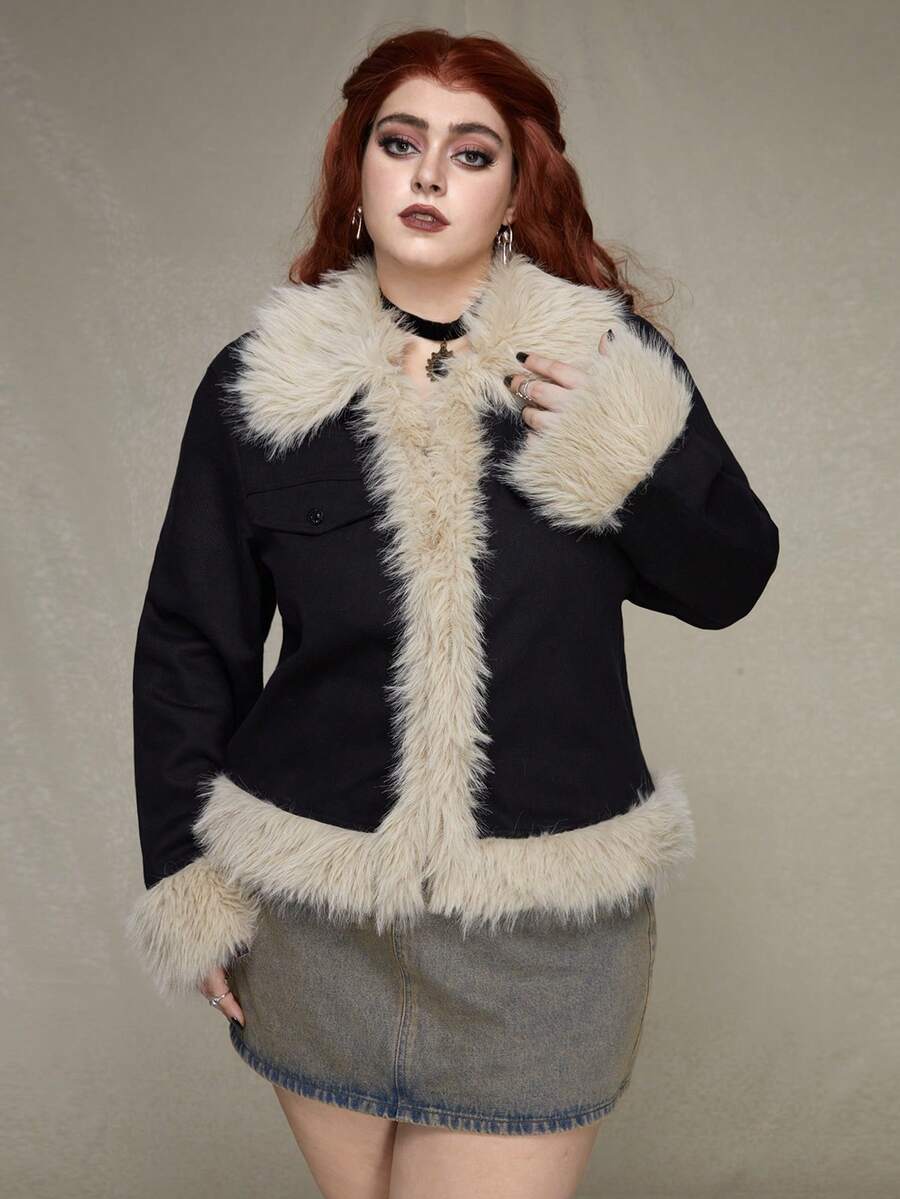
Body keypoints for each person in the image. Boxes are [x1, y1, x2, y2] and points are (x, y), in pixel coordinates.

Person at [124, 27, 779, 1199]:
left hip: (542, 927)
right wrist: (186, 875)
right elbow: (189, 641)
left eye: (471, 153)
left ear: (517, 192)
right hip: (314, 914)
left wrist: (626, 449)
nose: (429, 174)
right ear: (357, 172)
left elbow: (729, 579)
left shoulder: (597, 357)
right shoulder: (261, 381)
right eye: (401, 143)